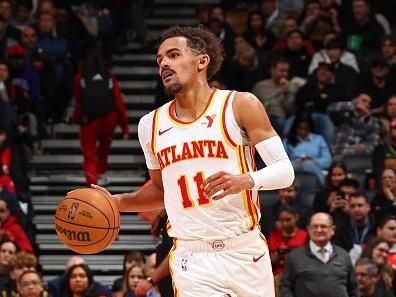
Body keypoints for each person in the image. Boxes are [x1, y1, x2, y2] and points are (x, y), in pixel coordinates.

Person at [93, 25, 294, 297]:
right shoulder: (149, 125)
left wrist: (247, 180)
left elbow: (285, 171)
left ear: (202, 61)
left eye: (173, 55)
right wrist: (117, 202)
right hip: (191, 255)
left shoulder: (240, 105)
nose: (164, 63)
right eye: (160, 59)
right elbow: (163, 191)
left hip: (244, 250)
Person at [71, 47, 129, 186]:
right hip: (109, 118)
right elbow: (118, 101)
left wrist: (75, 117)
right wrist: (124, 125)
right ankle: (102, 175)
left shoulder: (80, 77)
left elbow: (79, 100)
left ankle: (92, 183)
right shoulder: (108, 76)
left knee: (89, 154)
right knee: (104, 148)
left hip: (89, 119)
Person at [280, 212, 359, 297]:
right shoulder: (295, 257)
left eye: (323, 226)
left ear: (332, 230)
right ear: (309, 230)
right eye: (315, 226)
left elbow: (353, 288)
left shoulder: (343, 255)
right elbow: (285, 287)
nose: (319, 230)